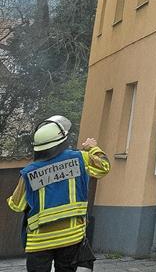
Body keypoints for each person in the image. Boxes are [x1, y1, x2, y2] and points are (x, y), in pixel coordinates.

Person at [7, 116, 110, 272]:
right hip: (71, 236)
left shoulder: (29, 172)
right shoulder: (80, 158)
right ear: (62, 141)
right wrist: (92, 147)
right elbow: (104, 166)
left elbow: (16, 205)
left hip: (39, 242)